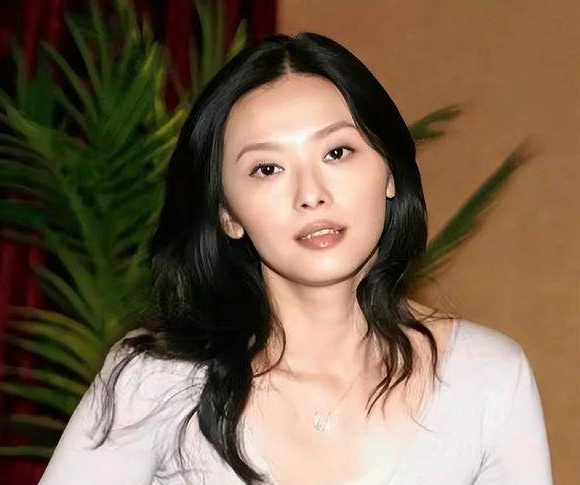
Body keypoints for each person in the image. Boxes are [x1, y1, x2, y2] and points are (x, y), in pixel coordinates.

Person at [38, 32, 552, 484]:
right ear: (228, 215)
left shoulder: (487, 378)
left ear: (390, 173)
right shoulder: (157, 380)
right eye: (267, 169)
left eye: (337, 153)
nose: (311, 194)